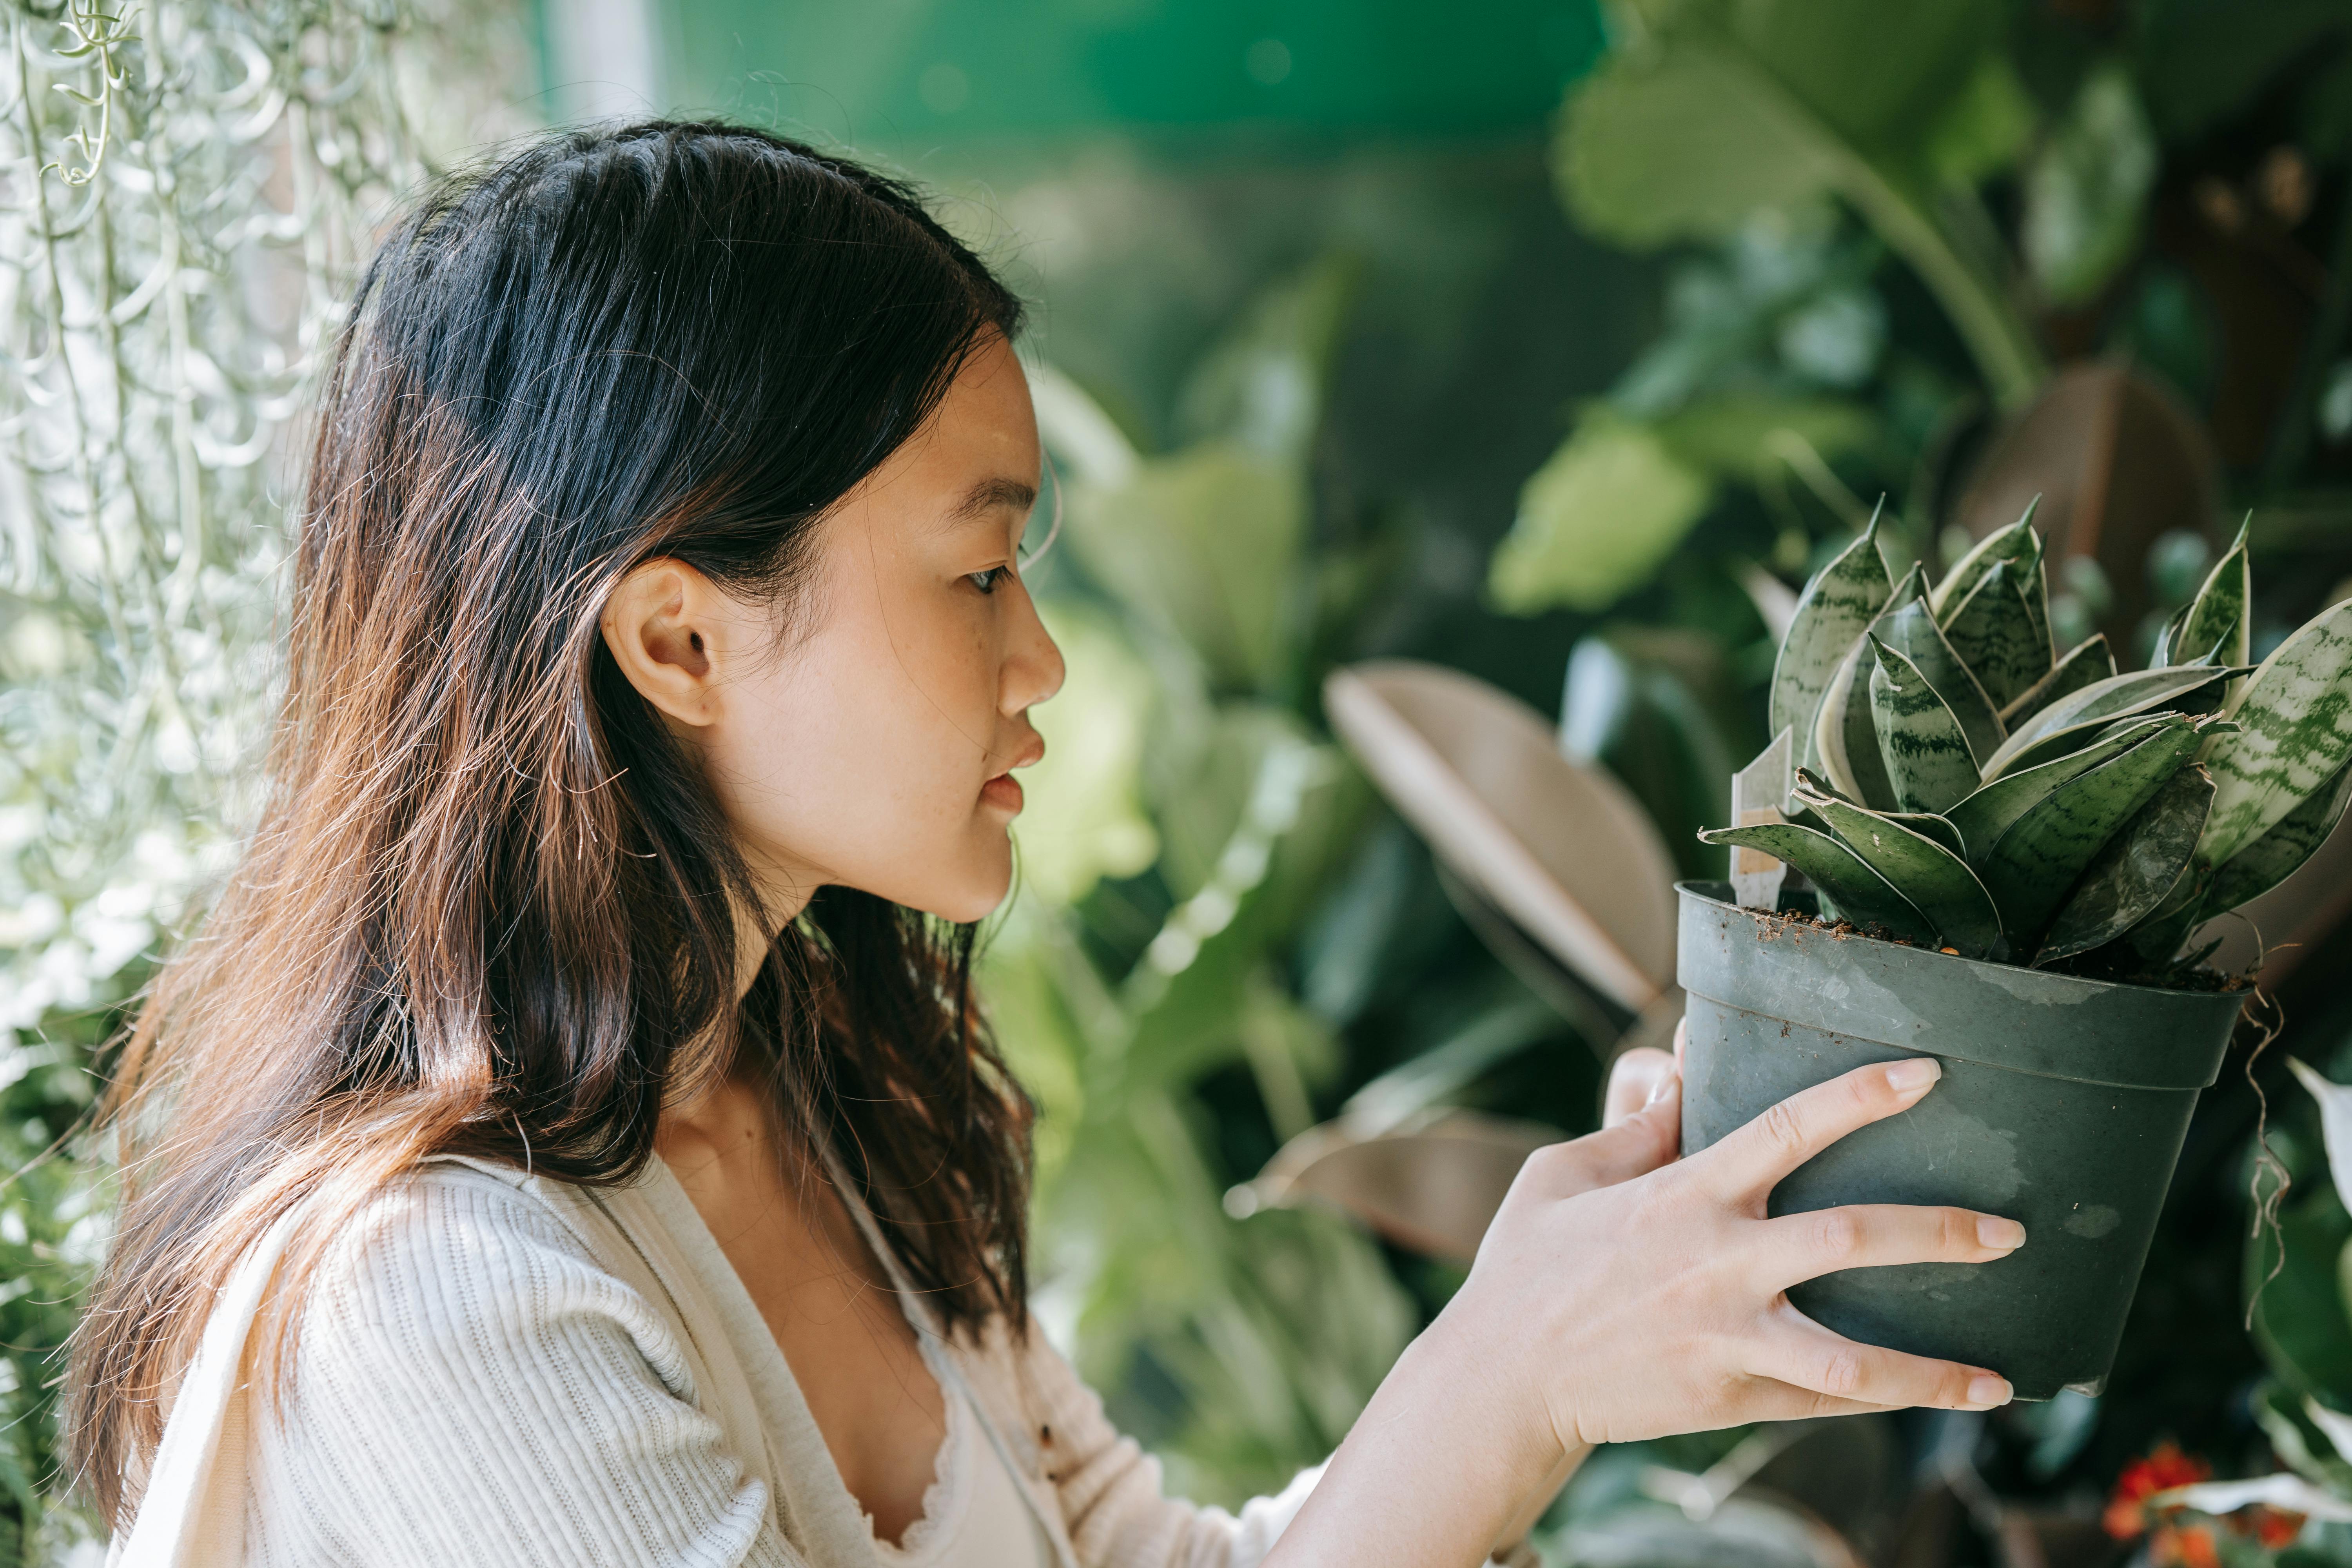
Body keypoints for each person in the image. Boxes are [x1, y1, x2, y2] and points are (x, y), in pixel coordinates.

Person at [66, 122, 2021, 1568]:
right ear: (678, 637)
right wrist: (1503, 1386)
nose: (1045, 657)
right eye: (980, 569)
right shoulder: (433, 1293)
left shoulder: (820, 1099)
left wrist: (1558, 1324)